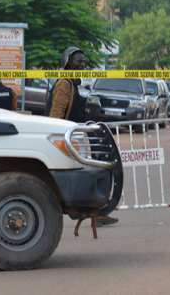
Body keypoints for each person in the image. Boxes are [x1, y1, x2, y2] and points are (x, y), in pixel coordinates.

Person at [47, 47, 118, 226]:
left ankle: (98, 212)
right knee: (97, 170)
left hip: (75, 140)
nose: (82, 65)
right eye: (78, 61)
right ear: (68, 63)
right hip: (66, 142)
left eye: (83, 62)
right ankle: (97, 212)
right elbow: (55, 116)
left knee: (100, 168)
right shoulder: (64, 84)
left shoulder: (74, 84)